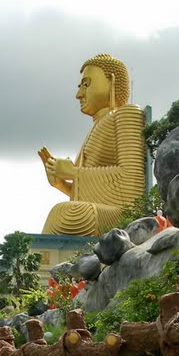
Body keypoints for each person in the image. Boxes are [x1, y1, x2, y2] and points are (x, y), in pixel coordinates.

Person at [40, 54, 147, 236]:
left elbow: (132, 183)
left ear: (111, 81)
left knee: (64, 213)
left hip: (125, 216)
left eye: (86, 85)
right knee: (64, 211)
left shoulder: (127, 114)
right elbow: (92, 190)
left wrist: (74, 172)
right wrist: (62, 183)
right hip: (100, 210)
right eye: (80, 87)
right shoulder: (97, 126)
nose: (79, 94)